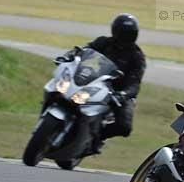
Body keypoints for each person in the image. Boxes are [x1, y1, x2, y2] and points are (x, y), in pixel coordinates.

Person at [55, 13, 146, 145]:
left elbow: (135, 83)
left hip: (119, 92)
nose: (125, 36)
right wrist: (69, 56)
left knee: (124, 126)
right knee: (63, 91)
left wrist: (123, 94)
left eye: (129, 33)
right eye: (122, 32)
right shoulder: (104, 42)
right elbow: (84, 50)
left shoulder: (137, 56)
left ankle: (96, 138)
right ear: (115, 31)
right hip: (96, 80)